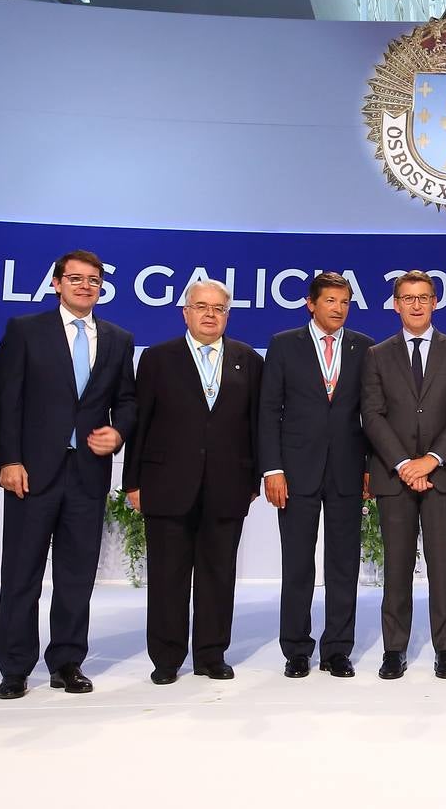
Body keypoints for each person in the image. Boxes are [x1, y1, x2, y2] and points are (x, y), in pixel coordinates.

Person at [0, 249, 136, 700]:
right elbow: (6, 400)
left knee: (76, 575)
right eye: (75, 278)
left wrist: (118, 431)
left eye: (93, 280)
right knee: (22, 573)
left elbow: (128, 400)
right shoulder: (25, 331)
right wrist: (8, 459)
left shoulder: (117, 338)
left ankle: (67, 661)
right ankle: (14, 668)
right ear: (57, 283)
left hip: (87, 475)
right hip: (31, 473)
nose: (85, 286)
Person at [125, 280, 262, 685]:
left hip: (228, 485)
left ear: (227, 315)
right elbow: (141, 423)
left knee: (218, 574)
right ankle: (166, 658)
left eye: (218, 308)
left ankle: (211, 654)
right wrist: (133, 481)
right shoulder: (157, 358)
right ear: (185, 312)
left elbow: (256, 426)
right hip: (166, 484)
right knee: (168, 575)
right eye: (201, 307)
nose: (209, 314)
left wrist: (253, 479)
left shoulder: (248, 360)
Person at [362, 270, 446, 680]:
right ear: (396, 305)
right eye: (407, 298)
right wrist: (403, 464)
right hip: (394, 477)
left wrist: (431, 459)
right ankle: (394, 649)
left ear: (435, 303)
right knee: (395, 566)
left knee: (443, 566)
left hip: (442, 474)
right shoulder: (377, 355)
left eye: (423, 297)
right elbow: (372, 415)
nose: (415, 304)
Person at [260, 272, 373, 678]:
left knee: (344, 565)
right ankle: (296, 649)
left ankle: (338, 649)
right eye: (330, 301)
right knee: (298, 565)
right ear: (311, 304)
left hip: (346, 471)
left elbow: (372, 416)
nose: (339, 309)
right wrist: (272, 468)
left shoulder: (365, 347)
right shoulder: (284, 345)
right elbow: (269, 410)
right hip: (295, 472)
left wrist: (369, 468)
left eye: (344, 302)